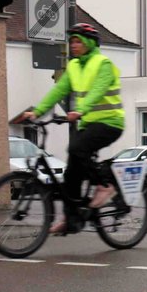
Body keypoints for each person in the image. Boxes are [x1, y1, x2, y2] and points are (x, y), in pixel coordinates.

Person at [22, 23, 123, 234]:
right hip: (88, 123)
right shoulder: (74, 67)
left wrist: (80, 110)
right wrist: (37, 112)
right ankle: (72, 219)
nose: (74, 45)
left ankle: (105, 185)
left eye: (78, 41)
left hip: (110, 122)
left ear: (88, 43)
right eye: (72, 42)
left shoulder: (102, 64)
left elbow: (98, 90)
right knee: (71, 174)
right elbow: (58, 90)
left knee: (76, 149)